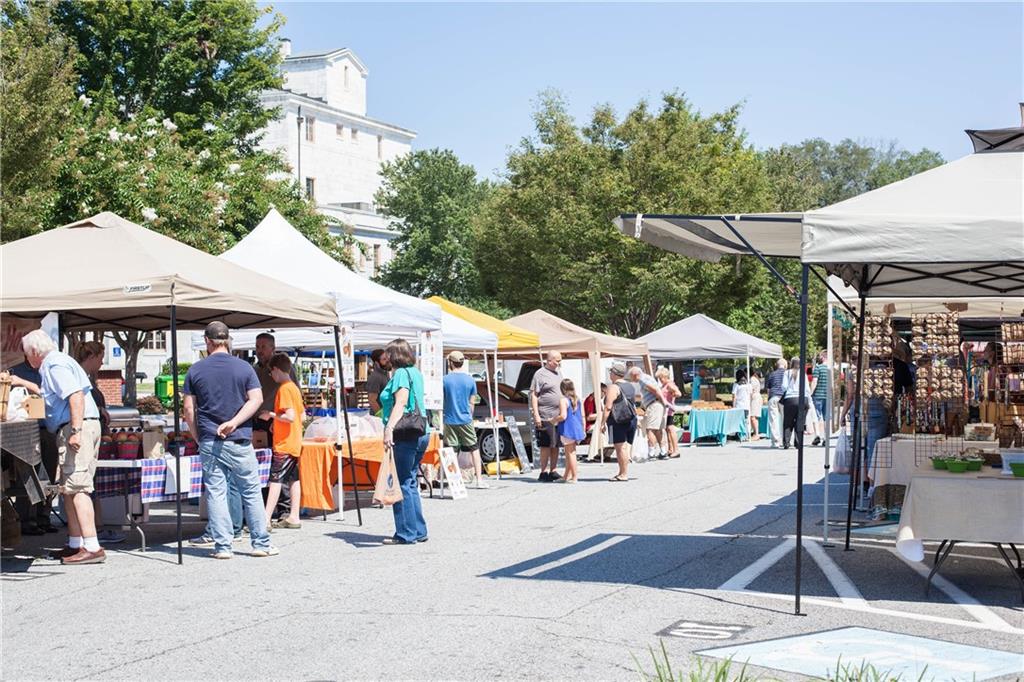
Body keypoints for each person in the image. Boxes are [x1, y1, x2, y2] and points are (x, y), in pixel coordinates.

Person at [183, 321, 276, 559]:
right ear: (227, 340)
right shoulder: (244, 368)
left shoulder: (195, 370)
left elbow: (189, 411)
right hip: (239, 438)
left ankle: (223, 546)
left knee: (216, 492)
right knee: (252, 491)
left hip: (210, 439)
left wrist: (199, 436)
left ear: (207, 341)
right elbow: (255, 400)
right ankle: (261, 544)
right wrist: (235, 422)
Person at [11, 330, 104, 564]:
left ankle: (92, 547)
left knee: (78, 487)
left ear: (34, 351)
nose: (27, 359)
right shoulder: (56, 363)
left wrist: (75, 431)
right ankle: (76, 544)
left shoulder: (54, 365)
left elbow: (75, 396)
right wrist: (22, 383)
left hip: (76, 427)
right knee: (69, 488)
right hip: (76, 426)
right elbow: (52, 395)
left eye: (26, 354)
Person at [380, 338, 430, 544]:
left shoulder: (400, 374)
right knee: (410, 482)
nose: (385, 358)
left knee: (401, 483)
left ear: (394, 355)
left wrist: (389, 428)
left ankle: (406, 532)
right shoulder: (415, 373)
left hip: (404, 433)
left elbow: (401, 402)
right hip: (420, 431)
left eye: (388, 354)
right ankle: (418, 530)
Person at [75, 342, 124, 545]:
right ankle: (92, 531)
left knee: (89, 484)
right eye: (101, 358)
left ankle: (94, 528)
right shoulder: (79, 377)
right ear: (91, 356)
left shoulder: (87, 379)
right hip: (84, 435)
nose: (102, 363)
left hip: (93, 434)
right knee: (84, 485)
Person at [9, 355, 59, 536]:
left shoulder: (47, 369)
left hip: (48, 428)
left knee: (49, 475)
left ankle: (43, 517)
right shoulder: (16, 370)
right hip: (26, 430)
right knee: (29, 474)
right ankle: (26, 520)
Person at [260, 353, 304, 530]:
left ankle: (265, 518)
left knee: (276, 479)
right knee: (294, 478)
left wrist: (270, 415)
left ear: (277, 370)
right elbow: (301, 415)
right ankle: (294, 516)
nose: (271, 375)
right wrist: (276, 423)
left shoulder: (284, 388)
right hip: (294, 441)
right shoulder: (294, 387)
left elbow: (291, 416)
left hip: (284, 443)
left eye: (271, 372)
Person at [442, 350, 488, 489]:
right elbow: (472, 403)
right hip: (465, 418)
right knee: (474, 448)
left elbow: (442, 400)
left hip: (449, 419)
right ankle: (479, 480)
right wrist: (469, 416)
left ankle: (453, 481)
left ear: (450, 362)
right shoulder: (470, 380)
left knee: (451, 450)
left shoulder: (444, 380)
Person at [530, 351, 563, 482]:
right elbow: (534, 395)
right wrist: (536, 414)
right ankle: (543, 472)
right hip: (545, 415)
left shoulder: (558, 372)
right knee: (546, 444)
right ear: (549, 360)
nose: (559, 363)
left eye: (560, 361)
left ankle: (553, 470)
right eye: (557, 361)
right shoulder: (540, 374)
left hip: (558, 415)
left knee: (555, 444)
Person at [604, 362, 637, 482]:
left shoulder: (613, 387)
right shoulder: (630, 386)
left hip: (617, 419)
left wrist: (603, 423)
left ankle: (623, 473)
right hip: (630, 418)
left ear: (614, 373)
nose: (610, 375)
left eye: (611, 372)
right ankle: (623, 471)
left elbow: (608, 407)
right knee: (625, 447)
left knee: (620, 447)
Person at [629, 366, 669, 459]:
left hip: (654, 405)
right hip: (657, 404)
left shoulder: (643, 380)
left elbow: (655, 390)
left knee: (650, 429)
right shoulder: (646, 377)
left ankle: (651, 453)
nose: (630, 378)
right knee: (658, 429)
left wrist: (664, 401)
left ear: (635, 375)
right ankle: (663, 451)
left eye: (631, 376)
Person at [557, 379, 585, 483]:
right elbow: (582, 415)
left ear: (562, 389)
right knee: (570, 452)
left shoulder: (563, 400)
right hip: (577, 427)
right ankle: (566, 476)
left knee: (570, 453)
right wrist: (583, 427)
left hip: (567, 428)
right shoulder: (577, 399)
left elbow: (563, 416)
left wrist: (554, 419)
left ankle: (574, 477)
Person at [781, 357, 808, 450]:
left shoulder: (787, 373)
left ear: (791, 363)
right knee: (800, 422)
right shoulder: (803, 374)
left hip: (790, 399)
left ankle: (786, 442)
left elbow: (784, 387)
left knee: (788, 422)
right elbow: (807, 389)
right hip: (802, 399)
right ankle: (798, 443)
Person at [656, 368, 682, 457]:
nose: (660, 380)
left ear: (664, 376)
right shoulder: (665, 385)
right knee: (667, 429)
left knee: (670, 429)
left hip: (669, 410)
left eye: (660, 378)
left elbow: (679, 393)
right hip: (665, 410)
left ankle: (676, 450)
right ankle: (670, 449)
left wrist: (674, 394)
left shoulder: (670, 384)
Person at [765, 359, 787, 448]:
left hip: (773, 397)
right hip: (783, 397)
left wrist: (768, 398)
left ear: (776, 365)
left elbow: (768, 389)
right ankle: (785, 440)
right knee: (785, 419)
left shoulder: (772, 374)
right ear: (785, 365)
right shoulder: (787, 373)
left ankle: (775, 441)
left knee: (773, 420)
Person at [810, 351, 830, 446]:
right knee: (826, 418)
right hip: (828, 396)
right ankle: (826, 437)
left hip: (818, 395)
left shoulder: (818, 368)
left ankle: (817, 435)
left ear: (823, 357)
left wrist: (810, 393)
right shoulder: (831, 369)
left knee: (816, 416)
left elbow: (814, 382)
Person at [365, 348, 391, 415]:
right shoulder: (375, 377)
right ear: (377, 363)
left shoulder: (386, 374)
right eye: (384, 359)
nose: (388, 361)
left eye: (387, 358)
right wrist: (381, 416)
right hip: (378, 418)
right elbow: (372, 400)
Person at [732, 369, 752, 440]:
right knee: (746, 420)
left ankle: (740, 435)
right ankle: (747, 434)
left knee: (739, 421)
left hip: (739, 405)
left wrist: (733, 406)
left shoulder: (736, 385)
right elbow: (750, 395)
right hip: (746, 405)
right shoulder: (748, 384)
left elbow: (734, 396)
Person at [748, 370, 764, 442]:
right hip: (757, 397)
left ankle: (756, 434)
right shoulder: (755, 379)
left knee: (753, 416)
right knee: (754, 416)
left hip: (755, 398)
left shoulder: (752, 379)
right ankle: (755, 433)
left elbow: (751, 391)